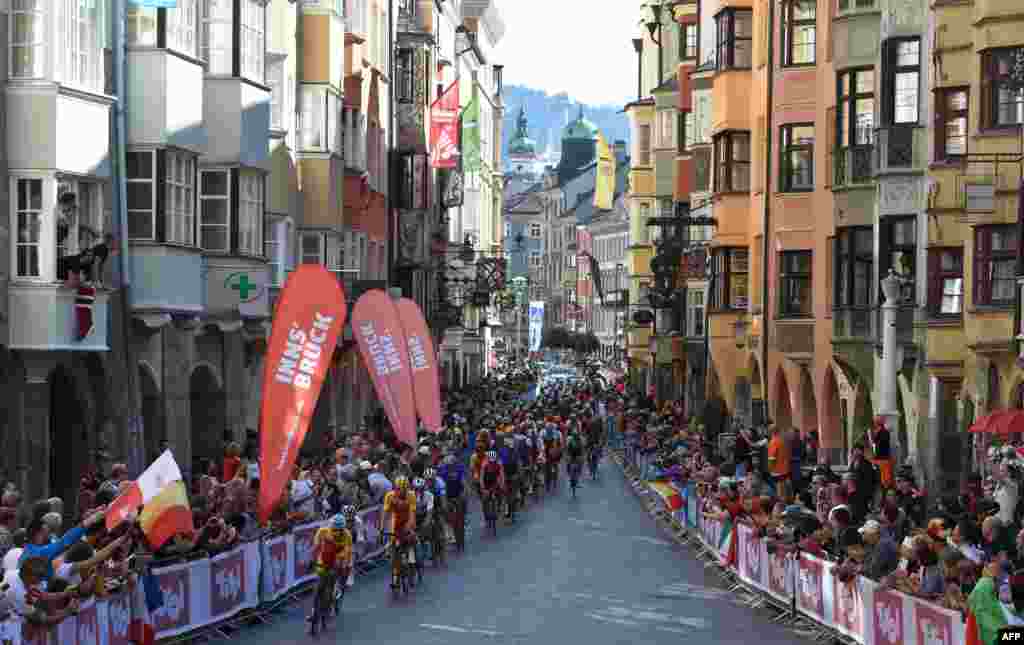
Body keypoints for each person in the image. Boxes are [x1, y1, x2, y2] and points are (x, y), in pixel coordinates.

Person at [20, 507, 106, 584]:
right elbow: (65, 541)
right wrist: (90, 520)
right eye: (47, 532)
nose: (50, 535)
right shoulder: (41, 552)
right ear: (38, 533)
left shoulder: (26, 550)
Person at [309, 514, 352, 629]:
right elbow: (316, 547)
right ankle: (314, 611)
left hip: (338, 559)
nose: (337, 532)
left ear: (343, 528)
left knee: (332, 582)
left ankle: (329, 602)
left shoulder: (347, 535)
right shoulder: (322, 532)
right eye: (334, 529)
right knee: (318, 587)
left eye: (340, 529)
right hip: (324, 559)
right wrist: (312, 560)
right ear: (330, 527)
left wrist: (344, 567)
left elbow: (347, 553)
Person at [382, 476, 416, 590]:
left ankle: (412, 560)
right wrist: (382, 529)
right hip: (395, 522)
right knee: (394, 547)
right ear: (395, 488)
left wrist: (410, 528)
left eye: (404, 489)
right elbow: (386, 514)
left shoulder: (411, 495)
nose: (401, 491)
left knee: (411, 539)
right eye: (399, 489)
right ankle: (396, 575)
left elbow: (412, 514)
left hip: (407, 521)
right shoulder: (389, 496)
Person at [766, 425, 790, 497]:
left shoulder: (773, 442)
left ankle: (780, 503)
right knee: (784, 490)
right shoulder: (783, 441)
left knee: (779, 491)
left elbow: (772, 458)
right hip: (785, 469)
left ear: (771, 432)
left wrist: (769, 469)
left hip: (776, 471)